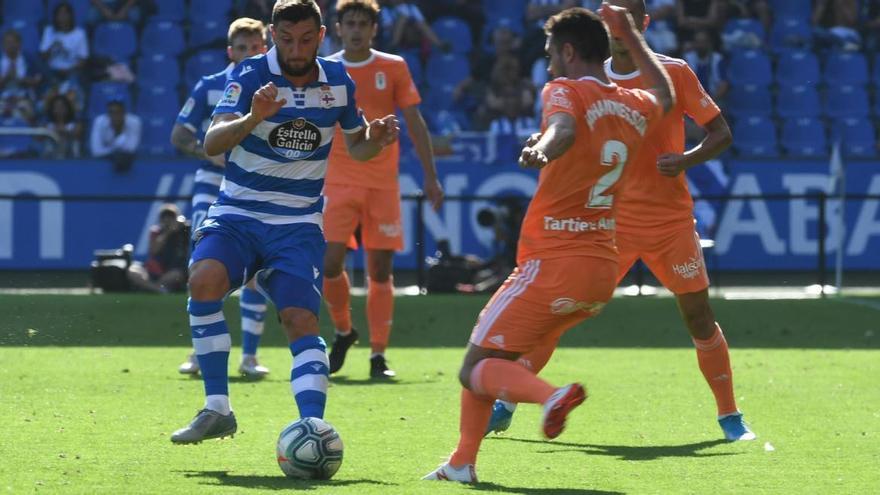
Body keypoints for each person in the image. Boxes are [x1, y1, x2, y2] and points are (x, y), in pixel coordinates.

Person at [423, 5, 673, 482]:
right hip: (601, 272)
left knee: (473, 366)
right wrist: (630, 36)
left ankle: (550, 396)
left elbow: (565, 129)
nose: (549, 62)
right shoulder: (634, 103)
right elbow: (663, 90)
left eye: (551, 53)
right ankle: (461, 464)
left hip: (553, 262)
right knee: (497, 362)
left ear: (570, 51)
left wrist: (541, 148)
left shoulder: (563, 89)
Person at [486, 0, 754, 444]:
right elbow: (566, 129)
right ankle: (507, 402)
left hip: (669, 221)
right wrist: (543, 142)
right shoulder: (588, 78)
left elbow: (720, 131)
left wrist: (687, 159)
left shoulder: (675, 73)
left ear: (643, 23)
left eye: (625, 18)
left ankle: (730, 416)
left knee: (698, 315)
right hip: (608, 222)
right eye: (609, 18)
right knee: (558, 315)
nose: (615, 26)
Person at [170, 0, 399, 444]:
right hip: (239, 213)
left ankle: (313, 426)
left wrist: (376, 139)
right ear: (273, 34)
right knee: (204, 281)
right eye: (288, 39)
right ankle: (217, 409)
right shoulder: (251, 74)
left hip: (296, 225)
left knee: (299, 319)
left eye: (307, 39)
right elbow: (211, 143)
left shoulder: (338, 82)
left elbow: (358, 148)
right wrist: (254, 116)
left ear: (322, 34)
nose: (297, 49)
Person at [322, 0, 443, 379]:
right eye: (350, 23)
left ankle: (378, 355)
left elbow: (414, 120)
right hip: (337, 180)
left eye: (363, 23)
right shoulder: (326, 69)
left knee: (380, 270)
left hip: (381, 184)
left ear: (375, 28)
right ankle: (343, 330)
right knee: (328, 265)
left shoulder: (393, 66)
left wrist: (430, 175)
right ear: (338, 27)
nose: (356, 29)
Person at [172, 18, 271, 379]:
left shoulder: (274, 90)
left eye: (255, 47)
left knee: (256, 271)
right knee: (204, 264)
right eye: (241, 48)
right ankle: (200, 353)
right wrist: (204, 151)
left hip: (256, 185)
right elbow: (179, 133)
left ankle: (250, 356)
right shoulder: (211, 86)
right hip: (213, 182)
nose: (248, 54)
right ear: (230, 51)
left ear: (265, 47)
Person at [128, 204, 190, 293]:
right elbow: (154, 251)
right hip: (154, 270)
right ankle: (157, 289)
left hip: (172, 270)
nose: (167, 219)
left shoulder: (184, 231)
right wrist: (168, 232)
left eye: (171, 216)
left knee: (177, 275)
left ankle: (150, 288)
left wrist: (179, 226)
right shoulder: (156, 232)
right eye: (164, 216)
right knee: (133, 271)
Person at [40, 2, 89, 83]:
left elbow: (83, 59)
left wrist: (70, 70)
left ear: (71, 16)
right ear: (55, 16)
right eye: (59, 14)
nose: (62, 17)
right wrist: (52, 46)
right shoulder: (49, 31)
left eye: (65, 13)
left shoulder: (80, 33)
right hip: (52, 71)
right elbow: (43, 57)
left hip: (72, 71)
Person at [89, 99, 141, 173]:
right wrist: (115, 153)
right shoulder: (99, 122)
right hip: (105, 162)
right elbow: (96, 151)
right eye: (111, 112)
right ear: (107, 114)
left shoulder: (135, 122)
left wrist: (110, 152)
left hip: (125, 159)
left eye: (118, 112)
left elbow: (131, 148)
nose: (115, 116)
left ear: (124, 113)